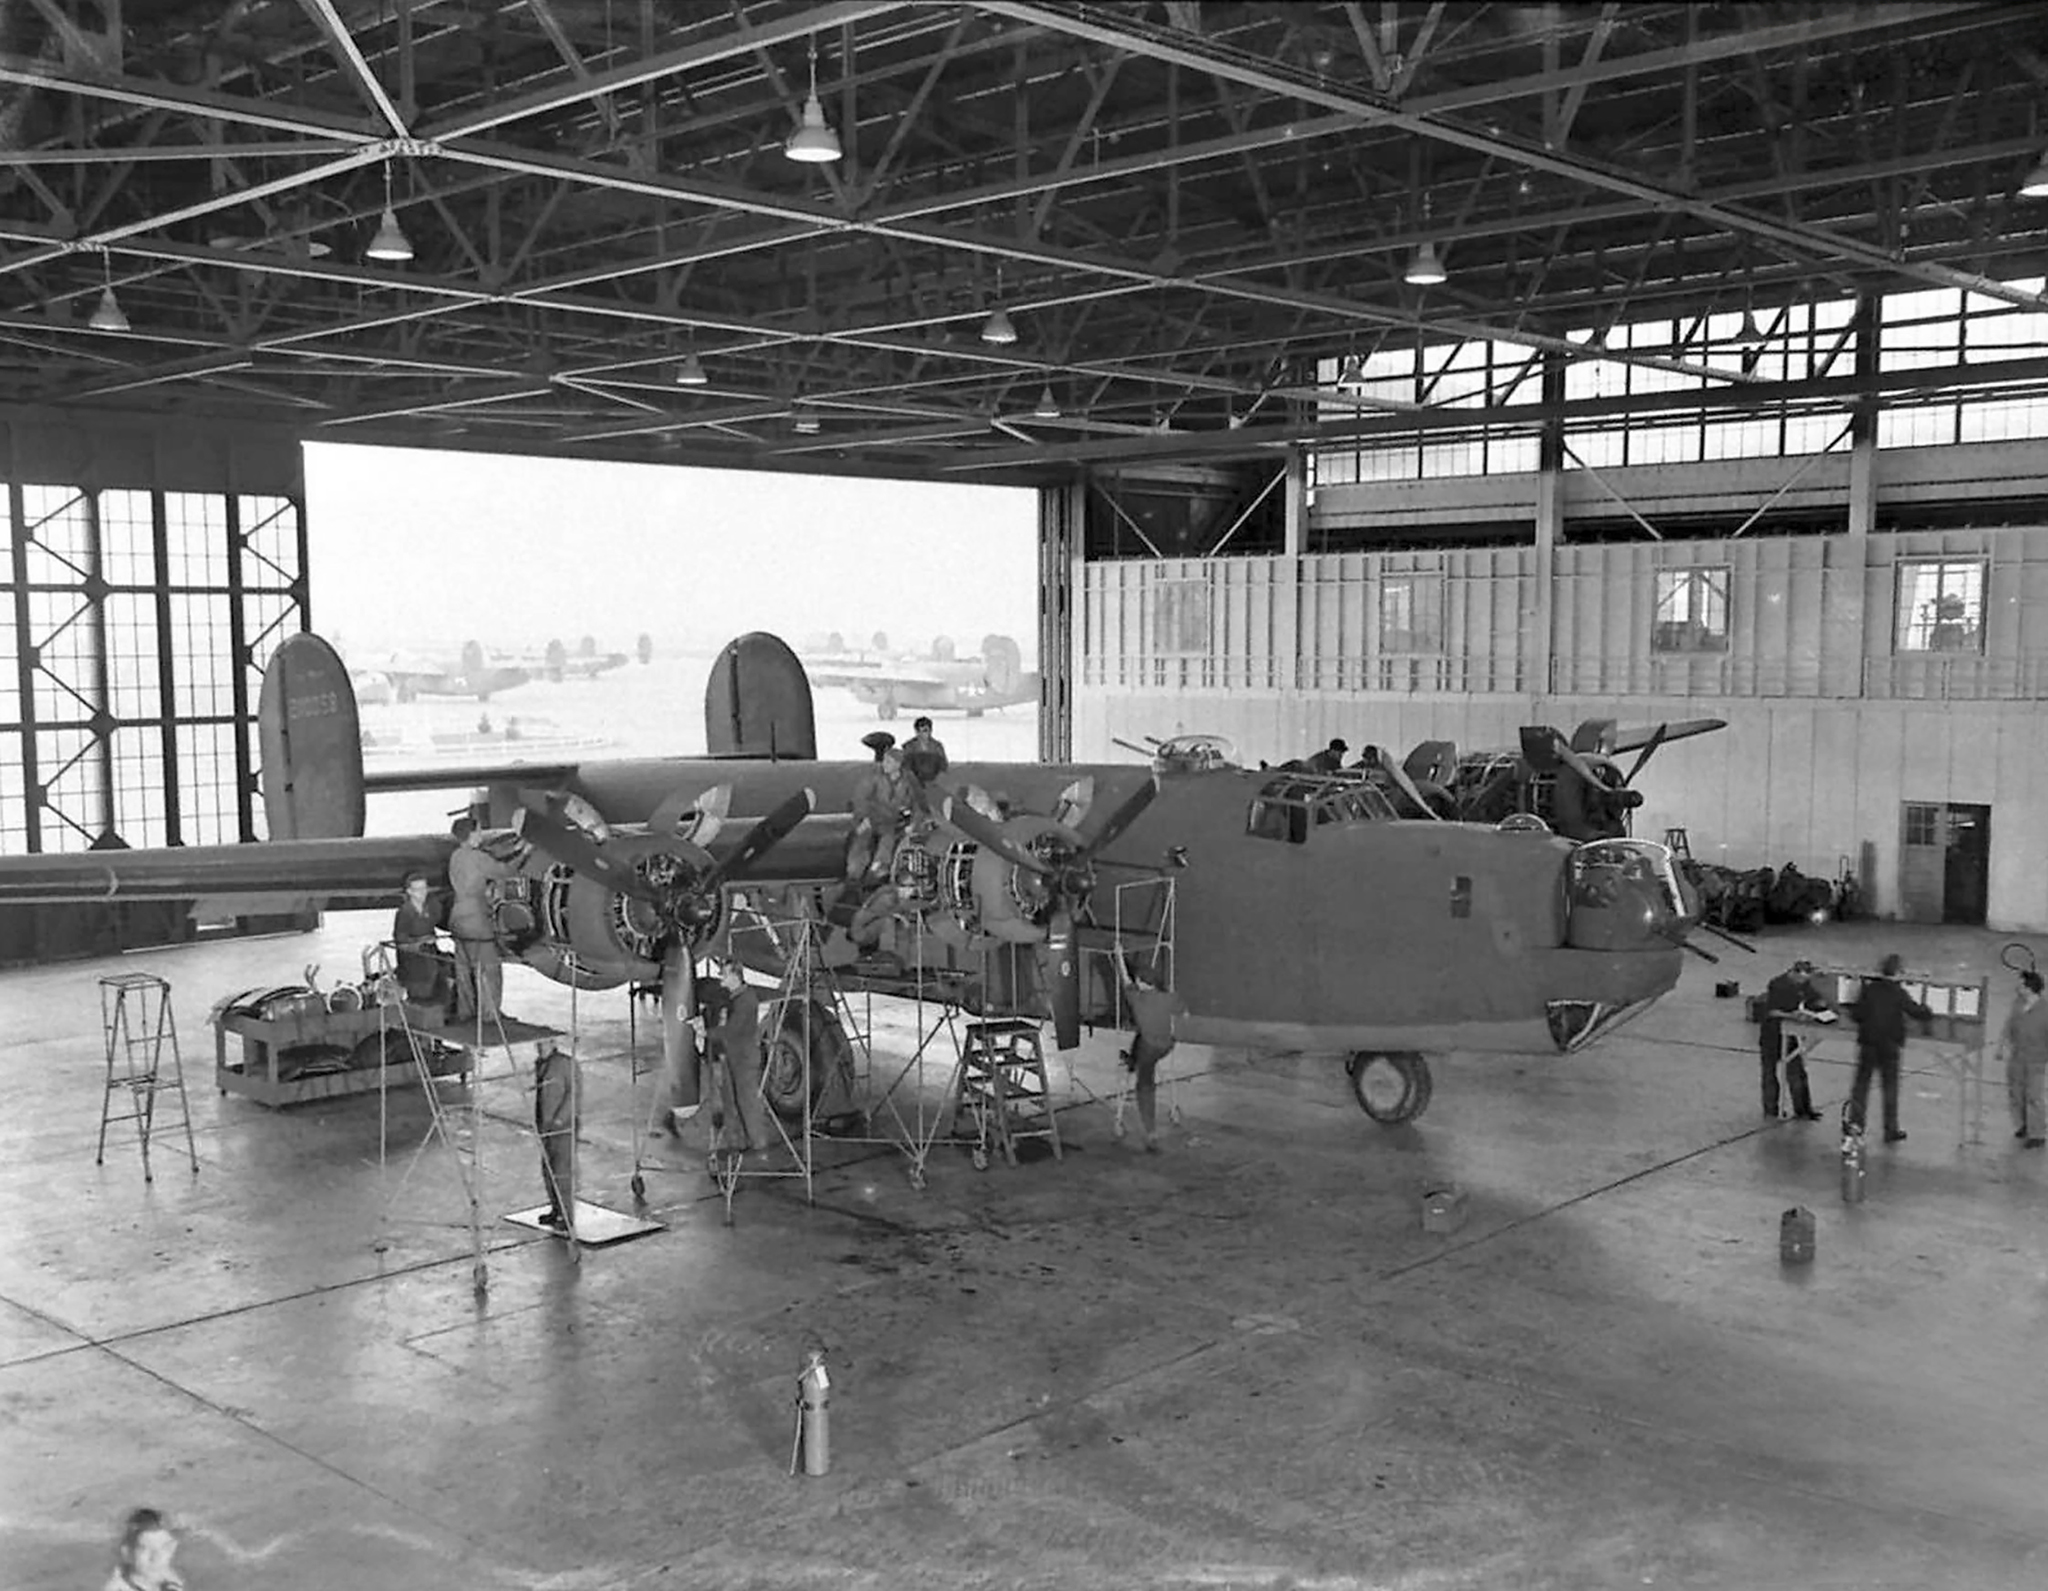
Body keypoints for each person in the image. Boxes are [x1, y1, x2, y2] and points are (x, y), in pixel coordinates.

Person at [1848, 952, 1934, 1143]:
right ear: (1898, 972)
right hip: (1889, 1045)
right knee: (1890, 1088)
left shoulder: (1869, 989)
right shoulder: (1898, 992)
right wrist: (1928, 1010)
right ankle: (1890, 1129)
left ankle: (1856, 1126)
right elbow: (1916, 1012)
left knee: (1861, 1086)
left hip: (1868, 1043)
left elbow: (1857, 1015)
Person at [448, 816, 517, 1025]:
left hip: (457, 915)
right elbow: (504, 871)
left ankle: (466, 1013)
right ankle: (490, 1016)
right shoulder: (477, 857)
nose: (480, 835)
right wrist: (525, 853)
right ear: (470, 835)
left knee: (464, 969)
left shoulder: (456, 856)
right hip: (476, 918)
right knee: (488, 968)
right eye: (478, 831)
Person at [694, 963, 766, 1155]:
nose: (721, 979)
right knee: (730, 1100)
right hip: (733, 1057)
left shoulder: (745, 1000)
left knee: (746, 1101)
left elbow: (731, 1030)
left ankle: (758, 1145)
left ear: (735, 976)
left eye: (724, 975)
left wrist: (705, 1033)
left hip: (743, 1058)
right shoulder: (735, 997)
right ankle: (738, 1142)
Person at [1119, 959, 1187, 1153]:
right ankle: (1133, 1060)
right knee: (1140, 1038)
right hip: (1167, 1045)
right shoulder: (1171, 998)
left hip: (1149, 1048)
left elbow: (1125, 980)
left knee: (1145, 1084)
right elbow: (1185, 1014)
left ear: (1141, 982)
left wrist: (1118, 956)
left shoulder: (1137, 999)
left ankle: (1151, 1132)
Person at [1758, 958, 1828, 1121]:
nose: (1804, 982)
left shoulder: (1802, 983)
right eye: (1802, 978)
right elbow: (1771, 1011)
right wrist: (1791, 1015)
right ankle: (1771, 1110)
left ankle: (1803, 1109)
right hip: (1772, 1033)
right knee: (1770, 1073)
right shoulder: (1777, 985)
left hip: (1792, 1034)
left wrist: (1819, 1003)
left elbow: (1812, 996)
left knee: (1797, 1072)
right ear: (1794, 973)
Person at [845, 744, 917, 890]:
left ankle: (879, 869)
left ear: (898, 764)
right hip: (872, 818)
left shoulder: (908, 782)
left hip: (892, 822)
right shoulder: (873, 778)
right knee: (862, 839)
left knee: (888, 839)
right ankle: (854, 873)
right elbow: (860, 798)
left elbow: (917, 803)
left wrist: (913, 823)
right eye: (884, 761)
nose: (885, 764)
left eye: (889, 762)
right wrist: (863, 817)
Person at [1998, 970, 2048, 1148]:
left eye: (2020, 985)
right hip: (2017, 1056)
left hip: (2036, 1059)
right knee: (2016, 1093)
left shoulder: (2045, 1010)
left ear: (2029, 988)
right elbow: (2008, 1025)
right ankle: (2023, 1124)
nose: (2017, 988)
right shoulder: (2017, 1004)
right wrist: (2001, 1047)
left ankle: (2038, 1133)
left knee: (2034, 1096)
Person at [391, 868, 450, 1014]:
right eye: (418, 889)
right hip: (413, 963)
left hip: (430, 958)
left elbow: (438, 918)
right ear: (409, 891)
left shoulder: (429, 907)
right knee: (419, 998)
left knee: (439, 992)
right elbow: (400, 940)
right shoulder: (405, 912)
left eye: (424, 888)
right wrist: (420, 942)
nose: (422, 892)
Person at [533, 1042, 578, 1231]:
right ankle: (555, 1209)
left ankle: (567, 1216)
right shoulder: (542, 1064)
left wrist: (560, 1120)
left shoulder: (566, 1064)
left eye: (543, 1044)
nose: (539, 1048)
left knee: (561, 1171)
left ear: (553, 1044)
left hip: (563, 1127)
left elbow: (574, 1094)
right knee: (548, 1170)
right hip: (546, 1126)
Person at [104, 1507, 182, 1591]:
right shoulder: (118, 1588)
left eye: (163, 1548)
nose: (155, 1558)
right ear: (127, 1553)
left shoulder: (172, 1583)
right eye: (145, 1550)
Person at [901, 715, 950, 787]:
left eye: (925, 731)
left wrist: (936, 782)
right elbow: (906, 768)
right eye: (918, 731)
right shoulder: (909, 747)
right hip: (914, 785)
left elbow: (943, 767)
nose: (921, 734)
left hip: (934, 784)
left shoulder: (937, 747)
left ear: (930, 731)